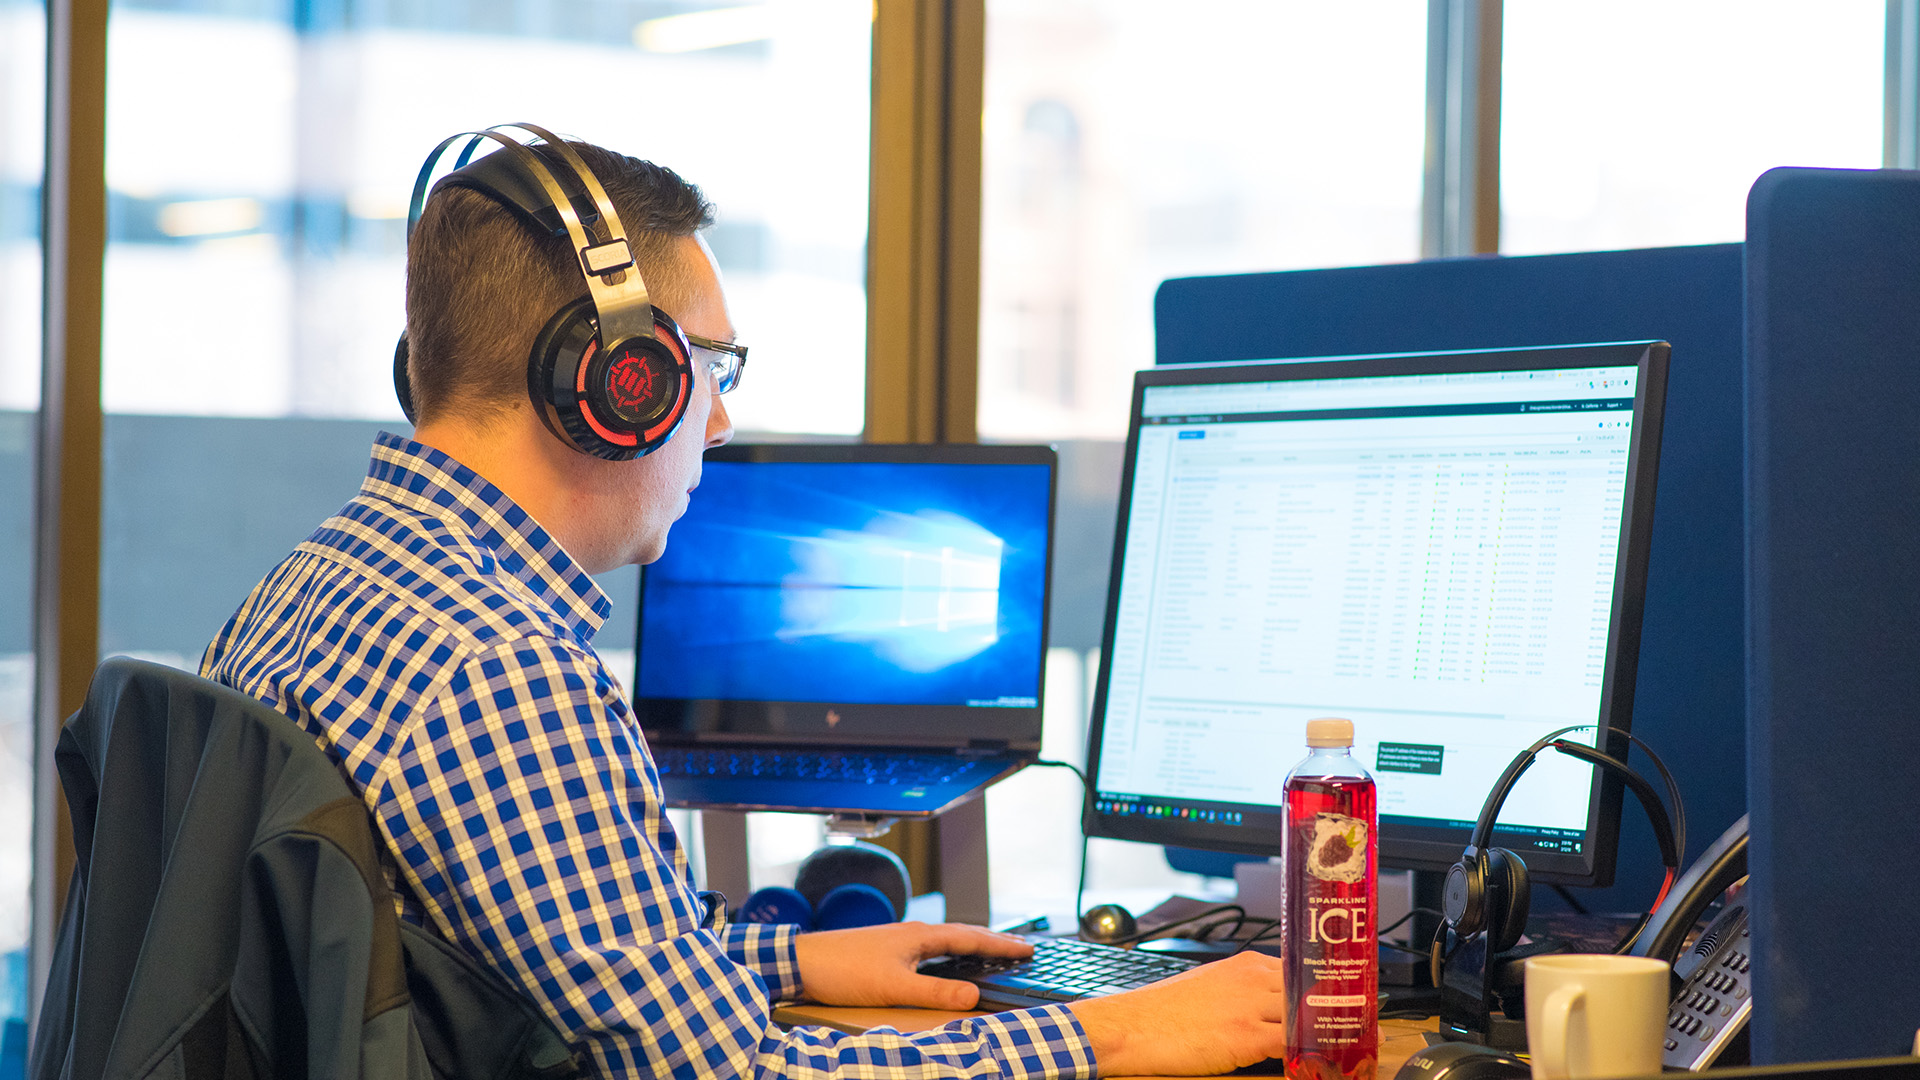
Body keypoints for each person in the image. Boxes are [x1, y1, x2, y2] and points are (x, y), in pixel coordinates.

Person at [202, 131, 1289, 1079]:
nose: (716, 422)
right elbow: (733, 1071)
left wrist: (794, 955)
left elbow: (534, 952)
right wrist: (1117, 1036)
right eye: (707, 366)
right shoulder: (501, 669)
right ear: (620, 382)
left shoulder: (308, 589)